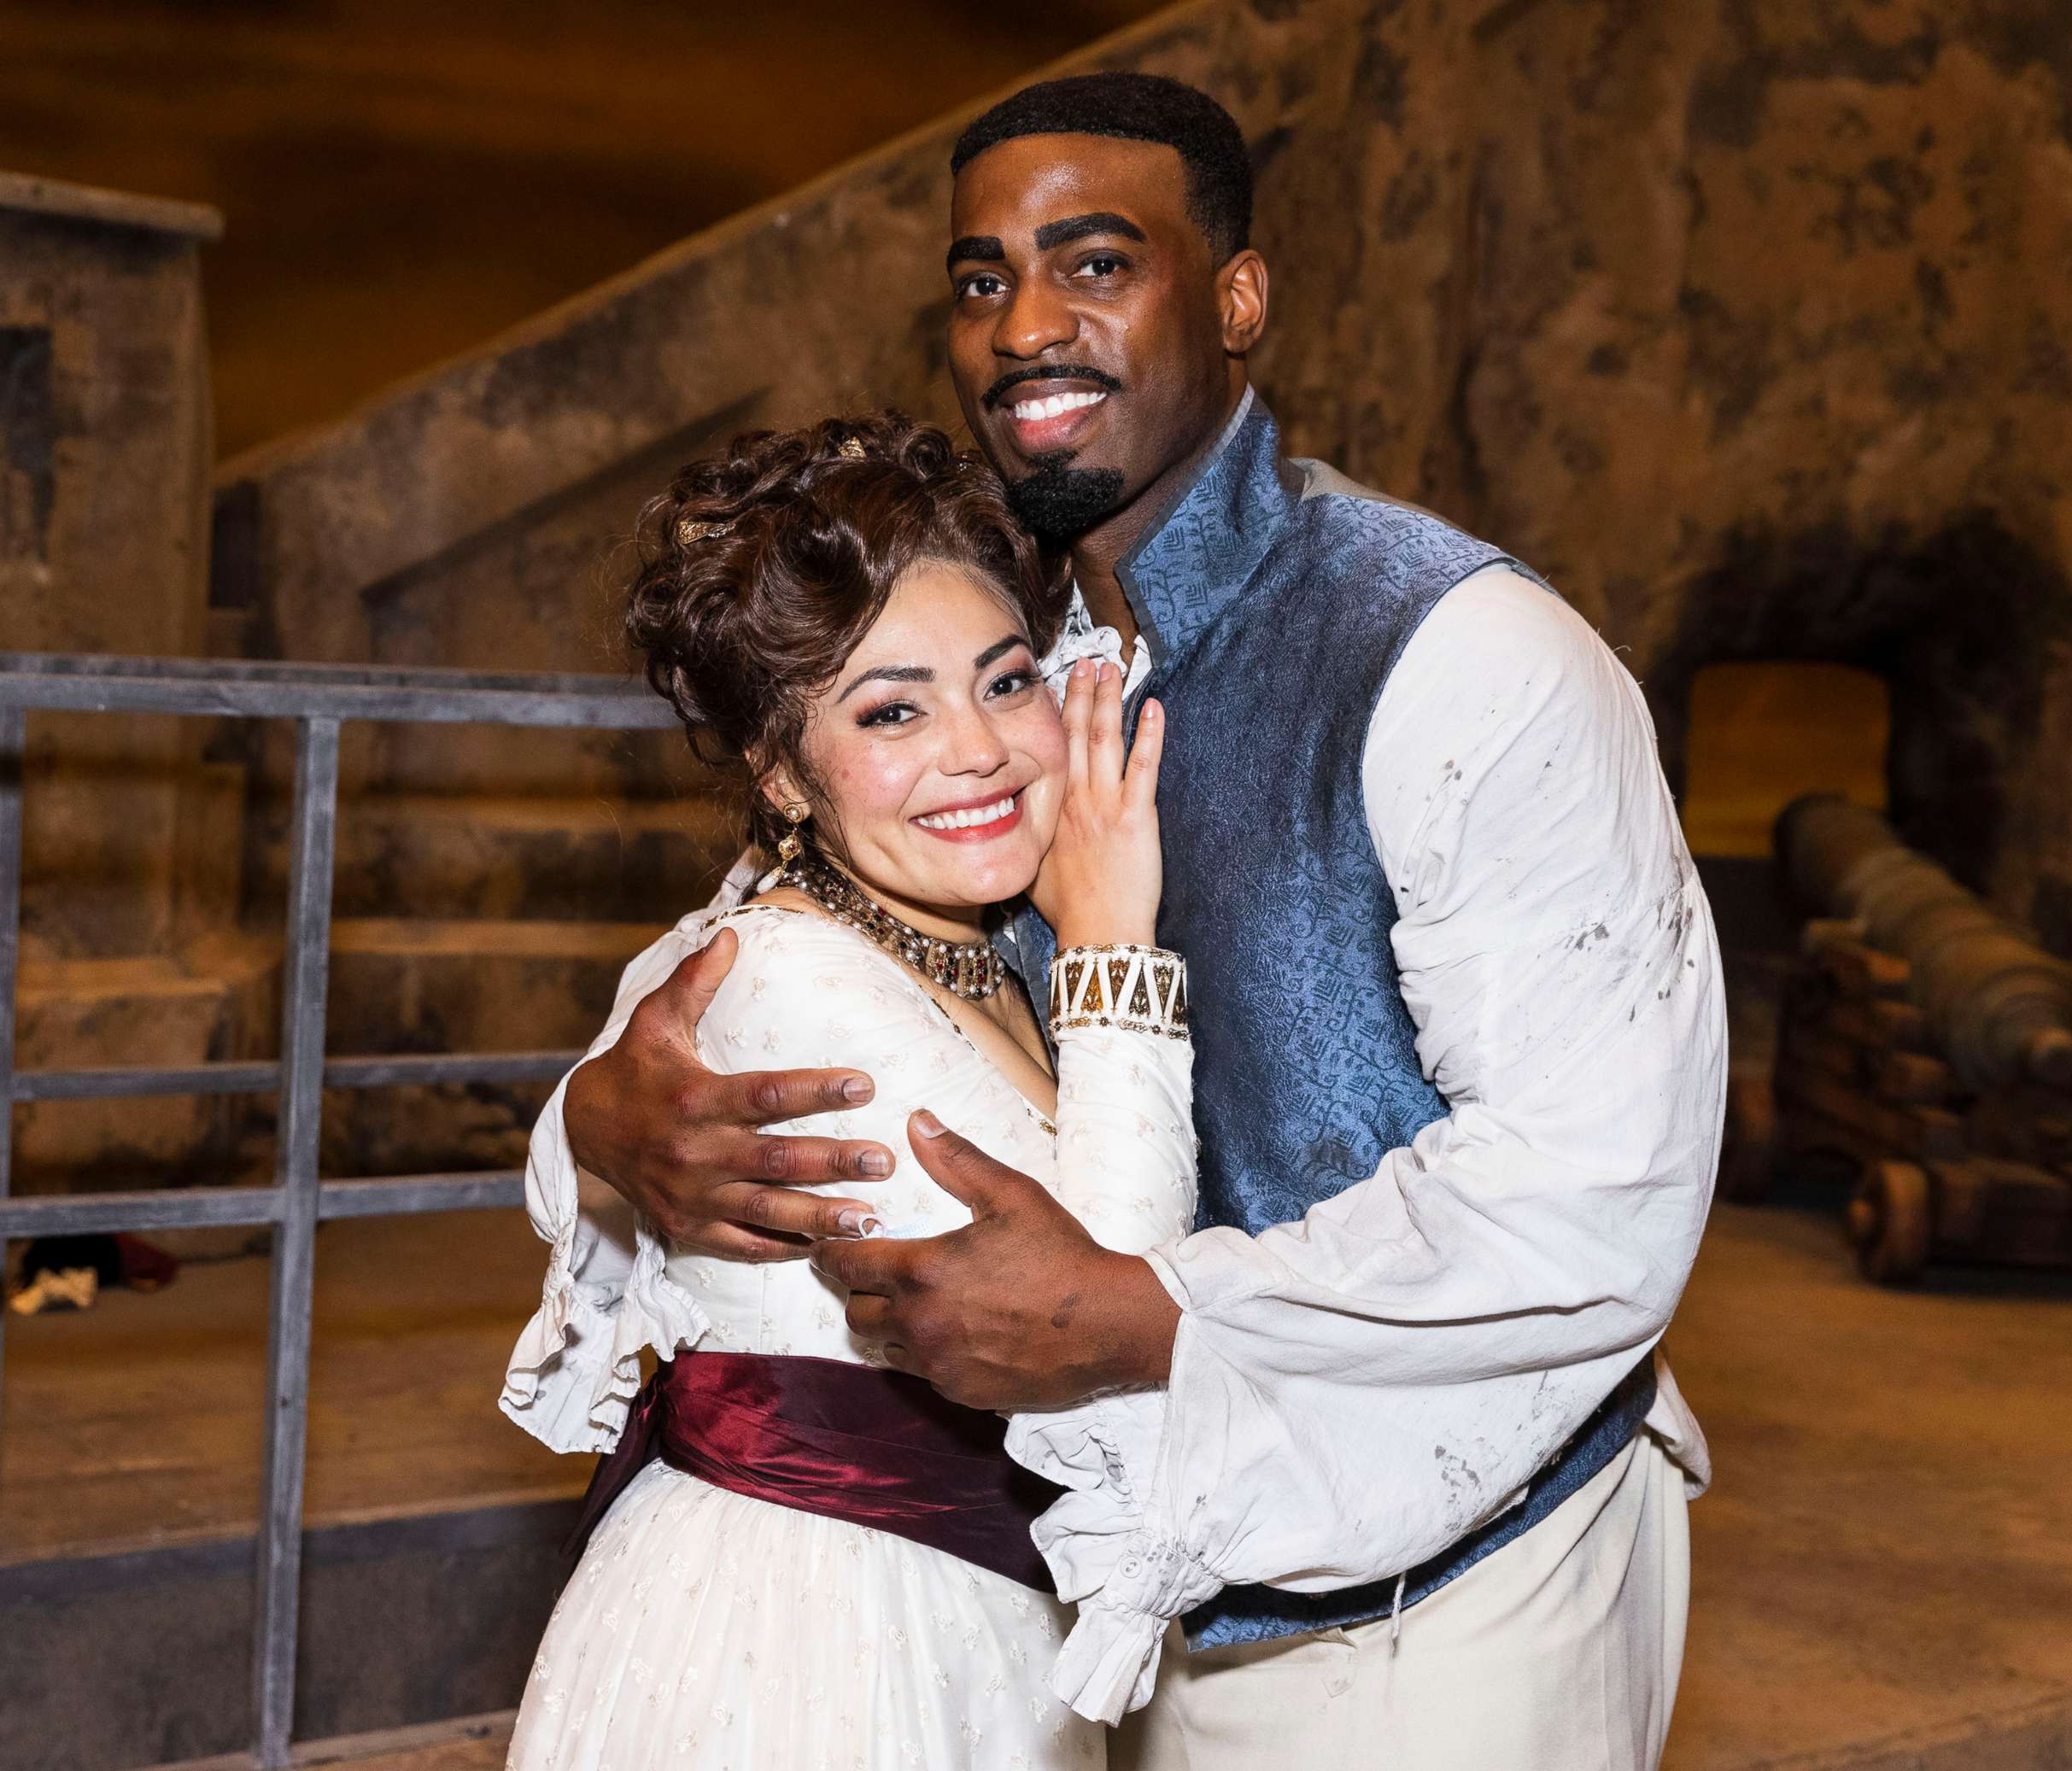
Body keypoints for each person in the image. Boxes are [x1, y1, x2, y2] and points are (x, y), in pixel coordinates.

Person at [547, 73, 1725, 1771]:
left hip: (1435, 1607)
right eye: (980, 280)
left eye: (1096, 263)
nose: (1026, 322)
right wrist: (598, 1119)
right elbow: (769, 967)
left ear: (1236, 297)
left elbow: (1588, 1186)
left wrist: (1152, 1314)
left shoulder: (1459, 654)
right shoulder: (1000, 664)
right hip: (1108, 1614)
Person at [500, 412, 1199, 1768]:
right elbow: (1106, 1311)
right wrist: (1118, 946)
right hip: (816, 1644)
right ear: (781, 774)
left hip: (966, 1617)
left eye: (1005, 682)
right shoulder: (790, 988)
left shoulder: (944, 931)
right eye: (893, 710)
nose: (978, 748)